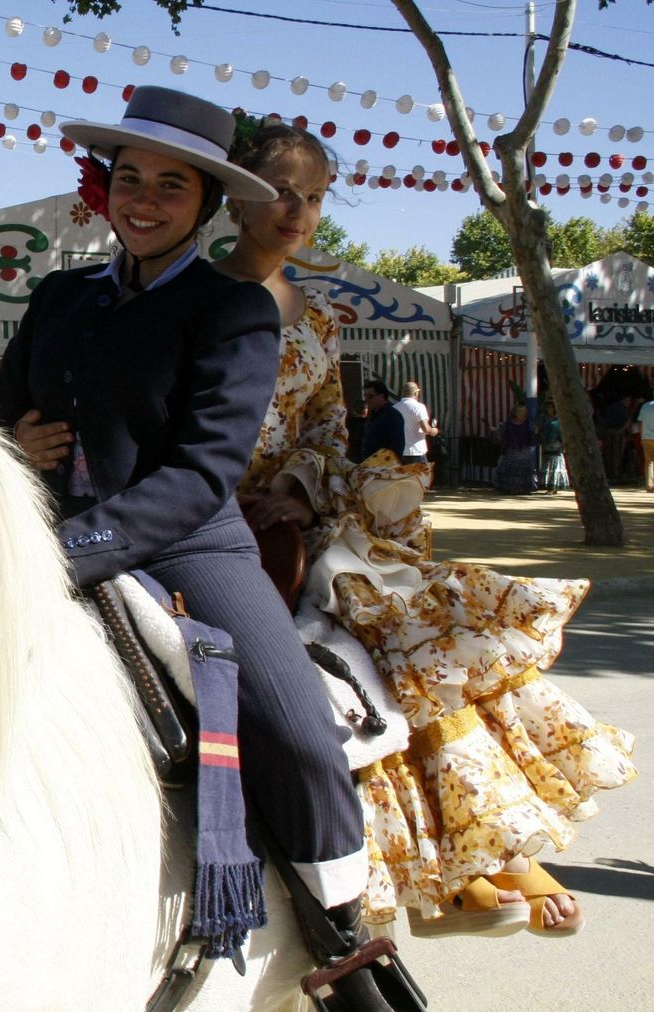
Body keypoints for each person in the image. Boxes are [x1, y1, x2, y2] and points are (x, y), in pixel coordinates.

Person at [0, 87, 391, 1005]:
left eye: (172, 185)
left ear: (207, 202)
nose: (145, 200)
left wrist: (73, 548)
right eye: (129, 178)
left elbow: (203, 475)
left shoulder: (234, 310)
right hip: (33, 532)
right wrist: (11, 443)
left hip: (184, 549)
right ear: (106, 187)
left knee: (297, 730)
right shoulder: (58, 295)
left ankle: (345, 946)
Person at [223, 119, 633, 939]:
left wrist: (301, 493)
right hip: (210, 514)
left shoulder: (321, 316)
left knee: (417, 627)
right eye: (279, 192)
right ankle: (437, 864)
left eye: (313, 196)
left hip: (296, 521)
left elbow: (328, 430)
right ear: (235, 195)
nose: (298, 211)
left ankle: (479, 850)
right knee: (353, 642)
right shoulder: (193, 299)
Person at [493, 404, 537, 494]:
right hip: (511, 450)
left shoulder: (529, 424)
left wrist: (535, 433)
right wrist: (494, 432)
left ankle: (524, 489)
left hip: (524, 450)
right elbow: (501, 436)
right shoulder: (508, 424)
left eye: (524, 411)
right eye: (520, 411)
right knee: (510, 469)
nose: (522, 413)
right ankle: (509, 488)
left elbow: (533, 440)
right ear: (515, 412)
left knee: (524, 469)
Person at [394, 381, 438, 466]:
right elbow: (426, 429)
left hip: (400, 452)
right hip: (416, 451)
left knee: (403, 479)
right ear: (415, 393)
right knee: (421, 478)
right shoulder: (419, 407)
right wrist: (434, 431)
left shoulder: (395, 407)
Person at [360, 380, 404, 462]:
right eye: (365, 396)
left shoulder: (392, 415)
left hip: (384, 466)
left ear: (382, 396)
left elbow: (397, 445)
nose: (366, 400)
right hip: (370, 465)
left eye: (370, 396)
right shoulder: (372, 415)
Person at [539, 399, 568, 494]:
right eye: (547, 408)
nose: (549, 410)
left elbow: (562, 432)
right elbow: (542, 431)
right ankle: (549, 486)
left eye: (551, 408)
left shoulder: (559, 420)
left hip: (557, 445)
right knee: (548, 465)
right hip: (547, 444)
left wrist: (563, 443)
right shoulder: (544, 419)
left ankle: (554, 486)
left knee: (556, 465)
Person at [637, 395, 654, 492]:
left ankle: (649, 485)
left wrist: (641, 436)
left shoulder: (645, 406)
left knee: (649, 462)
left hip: (646, 437)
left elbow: (640, 422)